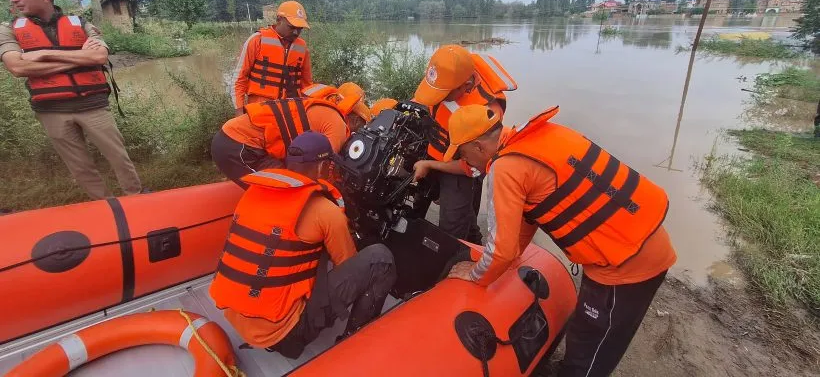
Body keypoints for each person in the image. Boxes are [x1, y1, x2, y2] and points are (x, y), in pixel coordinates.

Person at [438, 104, 677, 377]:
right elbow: (527, 219)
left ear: (478, 146)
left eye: (463, 154)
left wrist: (475, 274)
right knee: (583, 331)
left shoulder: (505, 168)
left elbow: (501, 251)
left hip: (626, 264)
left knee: (589, 349)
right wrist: (511, 257)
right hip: (639, 239)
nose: (466, 162)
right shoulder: (542, 136)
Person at [210, 131, 397, 358]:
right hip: (284, 334)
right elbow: (346, 263)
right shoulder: (325, 212)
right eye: (329, 166)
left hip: (237, 318)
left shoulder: (253, 193)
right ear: (322, 167)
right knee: (380, 258)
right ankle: (355, 342)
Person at [0, 0, 142, 200]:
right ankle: (105, 205)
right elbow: (17, 67)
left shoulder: (81, 23)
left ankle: (136, 197)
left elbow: (99, 57)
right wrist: (78, 58)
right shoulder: (8, 29)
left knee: (118, 157)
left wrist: (43, 54)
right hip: (52, 111)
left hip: (93, 104)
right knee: (80, 167)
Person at [411, 44, 517, 244]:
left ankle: (464, 253)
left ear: (465, 85)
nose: (438, 97)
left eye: (443, 93)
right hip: (436, 150)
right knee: (424, 200)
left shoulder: (487, 112)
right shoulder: (447, 73)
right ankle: (471, 239)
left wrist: (430, 165)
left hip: (462, 168)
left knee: (453, 227)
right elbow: (425, 99)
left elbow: (471, 167)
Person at [212, 82, 370, 188]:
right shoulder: (338, 125)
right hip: (238, 146)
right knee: (281, 190)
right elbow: (323, 167)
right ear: (354, 120)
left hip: (242, 142)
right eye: (361, 127)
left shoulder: (322, 108)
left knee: (289, 181)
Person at [231, 1, 314, 116]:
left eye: (300, 29)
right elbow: (239, 79)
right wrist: (239, 112)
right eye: (292, 27)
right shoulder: (257, 40)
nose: (296, 32)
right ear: (279, 20)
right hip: (259, 111)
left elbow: (307, 85)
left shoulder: (302, 48)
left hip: (291, 112)